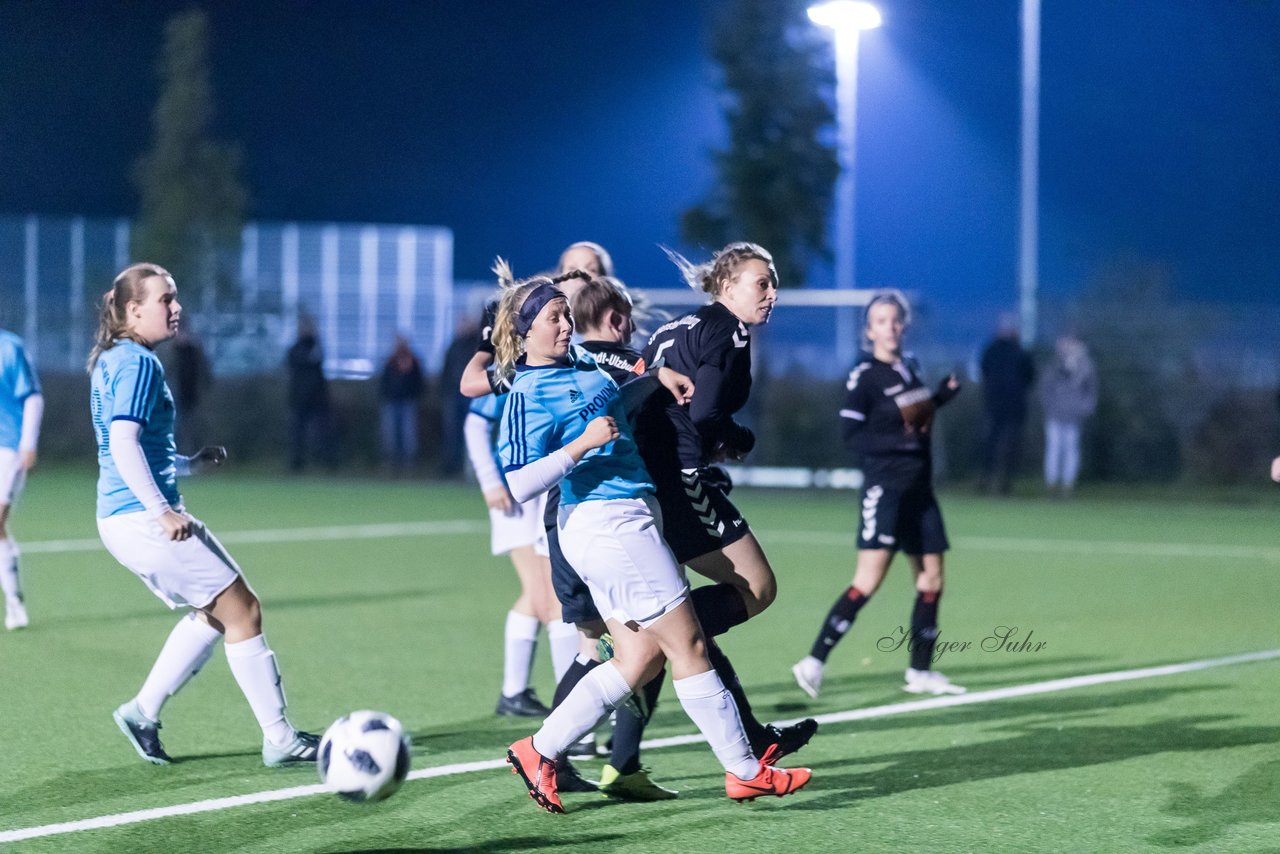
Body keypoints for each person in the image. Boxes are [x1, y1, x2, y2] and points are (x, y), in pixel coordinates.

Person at [491, 271, 811, 813]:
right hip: (606, 522)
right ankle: (744, 770)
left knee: (638, 659)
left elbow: (613, 399)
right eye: (554, 317)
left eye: (567, 313)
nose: (566, 324)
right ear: (525, 333)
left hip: (627, 515)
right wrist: (580, 447)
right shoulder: (527, 391)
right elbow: (518, 483)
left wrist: (657, 377)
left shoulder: (583, 364)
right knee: (686, 645)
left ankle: (537, 749)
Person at [89, 263, 319, 767]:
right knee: (243, 611)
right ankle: (279, 738)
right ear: (134, 309)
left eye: (175, 298)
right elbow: (124, 444)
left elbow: (133, 449)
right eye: (165, 300)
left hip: (125, 517)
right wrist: (161, 511)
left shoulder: (118, 357)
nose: (176, 309)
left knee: (213, 615)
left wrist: (186, 465)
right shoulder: (138, 364)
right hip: (140, 518)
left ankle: (141, 712)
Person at [634, 242, 817, 759]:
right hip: (682, 481)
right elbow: (702, 413)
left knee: (687, 627)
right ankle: (647, 640)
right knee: (757, 587)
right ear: (727, 284)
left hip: (644, 482)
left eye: (774, 282)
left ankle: (751, 743)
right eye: (762, 282)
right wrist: (737, 438)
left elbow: (648, 397)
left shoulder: (673, 329)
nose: (772, 292)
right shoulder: (728, 330)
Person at [792, 291, 965, 698]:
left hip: (920, 490)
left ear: (903, 326)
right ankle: (813, 661)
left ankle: (920, 671)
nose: (891, 327)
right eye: (881, 321)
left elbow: (915, 418)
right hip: (885, 489)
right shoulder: (864, 375)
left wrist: (939, 397)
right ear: (869, 331)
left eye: (896, 320)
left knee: (932, 579)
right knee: (868, 580)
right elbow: (852, 433)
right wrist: (897, 436)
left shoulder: (910, 368)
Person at [464, 384, 577, 718]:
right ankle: (570, 700)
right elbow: (475, 423)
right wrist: (489, 481)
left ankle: (514, 693)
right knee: (546, 595)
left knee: (539, 595)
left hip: (548, 488)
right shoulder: (511, 368)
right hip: (515, 493)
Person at [0, 327, 42, 631]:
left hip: (8, 446)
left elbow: (32, 397)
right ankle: (13, 601)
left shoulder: (9, 346)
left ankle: (14, 604)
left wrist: (28, 442)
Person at [978, 313, 1035, 494]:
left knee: (1004, 445)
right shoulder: (1004, 351)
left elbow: (1029, 376)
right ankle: (990, 481)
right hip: (1001, 405)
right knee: (995, 444)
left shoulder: (1009, 352)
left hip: (1006, 406)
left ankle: (1001, 482)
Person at [1040, 333, 1097, 497]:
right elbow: (1046, 389)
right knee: (1054, 449)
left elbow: (1090, 392)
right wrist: (1049, 407)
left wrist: (1085, 409)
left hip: (1074, 416)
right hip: (1055, 414)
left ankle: (1068, 486)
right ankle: (1051, 485)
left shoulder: (1085, 367)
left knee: (1071, 450)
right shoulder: (1054, 365)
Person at [286, 316, 336, 471]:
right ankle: (297, 463)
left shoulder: (317, 347)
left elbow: (318, 364)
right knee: (298, 433)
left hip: (317, 398)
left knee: (323, 432)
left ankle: (327, 462)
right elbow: (297, 365)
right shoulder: (295, 349)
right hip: (300, 398)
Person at [378, 334, 426, 475]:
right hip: (391, 402)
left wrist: (414, 395)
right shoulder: (390, 361)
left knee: (408, 435)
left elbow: (418, 382)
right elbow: (384, 381)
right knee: (389, 434)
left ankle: (408, 464)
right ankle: (389, 463)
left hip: (408, 402)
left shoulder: (413, 361)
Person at [171, 327, 212, 449]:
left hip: (190, 395)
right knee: (179, 428)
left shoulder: (192, 351)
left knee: (189, 427)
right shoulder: (177, 351)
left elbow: (202, 372)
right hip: (180, 395)